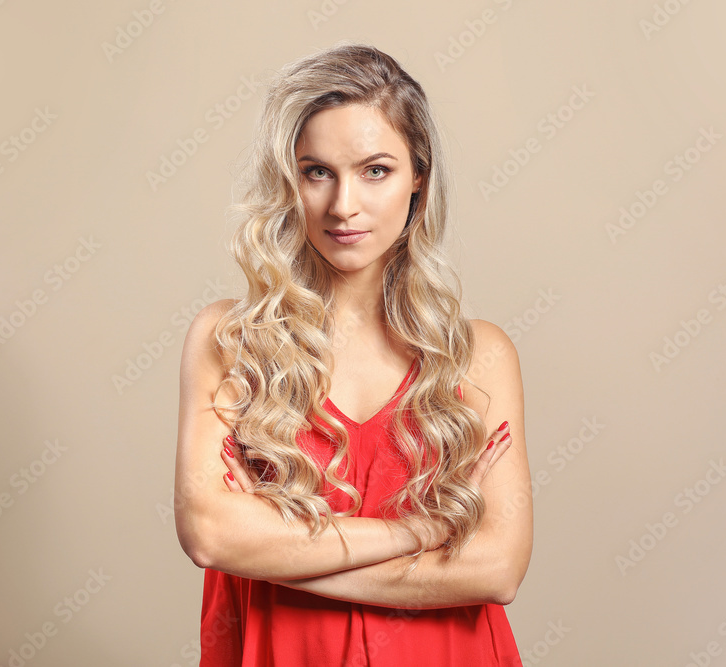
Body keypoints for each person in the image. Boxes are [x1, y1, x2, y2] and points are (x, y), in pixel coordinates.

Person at [174, 41, 532, 666]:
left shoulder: (480, 357)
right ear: (290, 179)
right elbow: (209, 534)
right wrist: (420, 534)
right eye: (317, 171)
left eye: (375, 170)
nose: (343, 206)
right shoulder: (231, 343)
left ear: (418, 176)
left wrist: (278, 556)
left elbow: (498, 568)